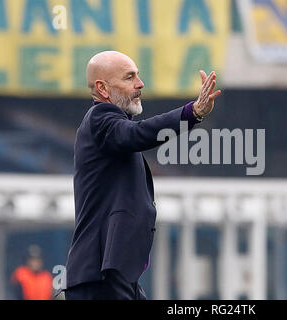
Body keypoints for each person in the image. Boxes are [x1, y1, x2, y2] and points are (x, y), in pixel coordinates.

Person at [64, 51, 221, 300]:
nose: (140, 84)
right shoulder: (100, 118)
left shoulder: (109, 128)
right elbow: (138, 134)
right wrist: (193, 112)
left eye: (138, 75)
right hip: (102, 275)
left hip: (113, 272)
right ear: (103, 89)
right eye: (130, 77)